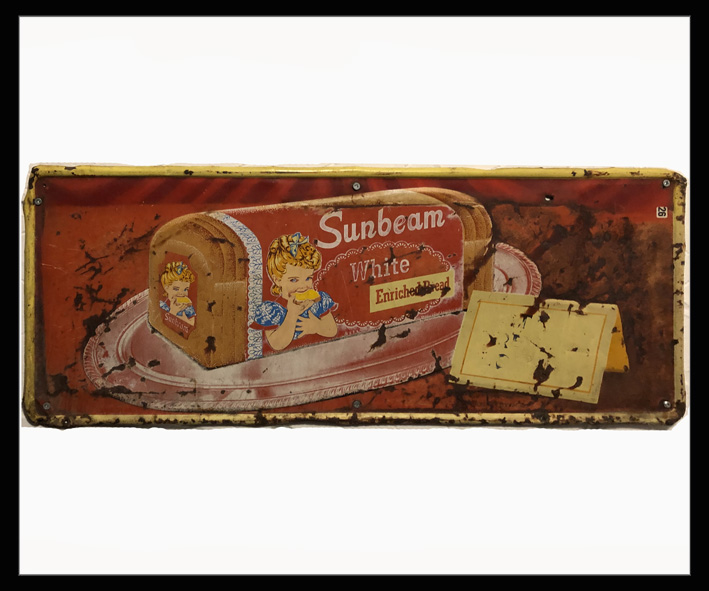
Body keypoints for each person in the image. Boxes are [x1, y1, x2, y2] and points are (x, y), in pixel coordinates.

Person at [255, 232, 337, 351]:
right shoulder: (271, 310)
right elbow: (277, 344)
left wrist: (316, 326)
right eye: (294, 280)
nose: (303, 286)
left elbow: (332, 330)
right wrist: (292, 314)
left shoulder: (318, 301)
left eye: (308, 278)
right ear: (277, 280)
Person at [159, 261, 197, 326]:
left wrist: (184, 318)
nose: (181, 293)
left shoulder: (187, 306)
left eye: (185, 289)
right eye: (176, 289)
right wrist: (173, 311)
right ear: (166, 288)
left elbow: (192, 323)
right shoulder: (162, 305)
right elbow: (161, 324)